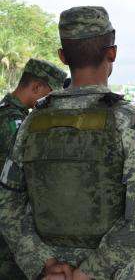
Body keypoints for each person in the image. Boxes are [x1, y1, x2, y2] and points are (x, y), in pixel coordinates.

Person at [0, 6, 135, 280]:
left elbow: (7, 203)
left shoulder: (31, 122)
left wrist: (44, 264)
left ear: (63, 56)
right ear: (112, 53)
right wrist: (88, 272)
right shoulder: (132, 122)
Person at [0, 58, 66, 280]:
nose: (52, 101)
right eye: (50, 94)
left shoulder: (7, 111)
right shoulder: (13, 122)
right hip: (7, 223)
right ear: (36, 87)